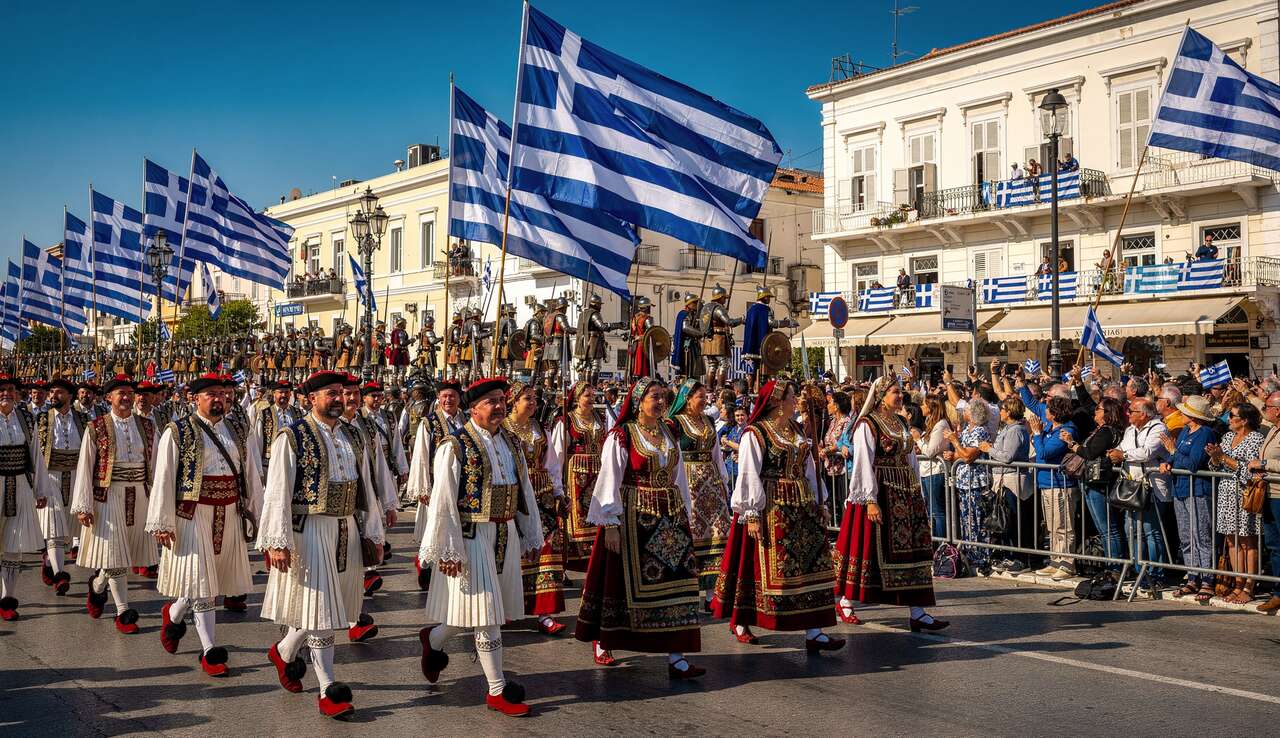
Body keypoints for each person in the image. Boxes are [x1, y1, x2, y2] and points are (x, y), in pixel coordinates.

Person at [258, 370, 385, 719]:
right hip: (310, 530)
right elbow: (278, 491)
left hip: (345, 527)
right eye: (331, 393)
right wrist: (277, 541)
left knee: (328, 605)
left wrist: (373, 532)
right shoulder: (293, 436)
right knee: (322, 612)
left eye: (341, 392)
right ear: (311, 398)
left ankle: (285, 651)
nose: (339, 399)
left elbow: (366, 487)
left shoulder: (353, 434)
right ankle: (328, 689)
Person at [417, 377, 543, 717]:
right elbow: (443, 501)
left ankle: (434, 639)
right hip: (471, 535)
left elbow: (524, 490)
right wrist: (448, 548)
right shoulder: (455, 445)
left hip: (504, 532)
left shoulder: (512, 442)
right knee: (486, 614)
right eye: (491, 402)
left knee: (476, 610)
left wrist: (531, 533)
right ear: (473, 409)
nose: (499, 406)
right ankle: (497, 689)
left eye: (502, 400)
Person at [577, 377, 705, 679]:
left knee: (678, 582)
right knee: (618, 583)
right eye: (653, 396)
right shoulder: (622, 435)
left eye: (662, 397)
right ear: (638, 401)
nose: (660, 402)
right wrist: (610, 523)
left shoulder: (669, 431)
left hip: (670, 516)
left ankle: (677, 656)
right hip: (634, 517)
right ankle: (605, 640)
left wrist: (686, 513)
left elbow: (678, 476)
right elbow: (609, 478)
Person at [148, 373, 263, 676]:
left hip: (229, 511)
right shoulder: (178, 431)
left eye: (222, 394)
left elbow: (251, 473)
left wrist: (259, 513)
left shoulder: (238, 430)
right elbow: (164, 476)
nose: (219, 399)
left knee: (208, 580)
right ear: (195, 398)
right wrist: (162, 520)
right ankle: (210, 650)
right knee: (203, 584)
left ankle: (174, 613)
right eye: (211, 394)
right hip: (193, 513)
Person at [715, 379, 842, 651]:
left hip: (802, 506)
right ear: (776, 401)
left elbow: (809, 467)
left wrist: (820, 498)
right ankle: (741, 621)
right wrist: (751, 513)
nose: (796, 400)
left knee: (809, 566)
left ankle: (814, 630)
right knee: (754, 565)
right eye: (791, 396)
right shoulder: (756, 433)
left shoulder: (796, 429)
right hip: (771, 507)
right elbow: (749, 472)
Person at [834, 376, 946, 631]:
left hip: (905, 493)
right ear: (881, 395)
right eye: (895, 391)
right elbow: (863, 461)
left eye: (901, 391)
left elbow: (911, 457)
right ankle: (846, 600)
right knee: (867, 549)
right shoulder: (868, 424)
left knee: (912, 552)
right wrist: (869, 499)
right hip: (881, 492)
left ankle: (917, 611)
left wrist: (916, 489)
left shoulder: (901, 422)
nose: (900, 395)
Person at [70, 375, 158, 633]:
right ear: (109, 397)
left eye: (130, 392)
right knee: (114, 554)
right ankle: (123, 612)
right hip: (108, 496)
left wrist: (159, 501)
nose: (127, 397)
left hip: (139, 494)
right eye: (121, 392)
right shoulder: (96, 427)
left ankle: (98, 585)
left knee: (125, 553)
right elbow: (85, 466)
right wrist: (84, 505)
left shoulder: (148, 426)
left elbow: (156, 465)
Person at [503, 380, 568, 636]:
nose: (533, 403)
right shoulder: (502, 429)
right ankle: (508, 607)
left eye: (534, 399)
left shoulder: (540, 428)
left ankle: (545, 612)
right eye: (527, 398)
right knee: (514, 551)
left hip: (542, 498)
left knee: (546, 550)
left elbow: (552, 464)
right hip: (515, 498)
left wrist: (558, 493)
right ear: (513, 401)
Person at [667, 379, 732, 612]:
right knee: (691, 535)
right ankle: (686, 591)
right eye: (700, 397)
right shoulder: (674, 423)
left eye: (706, 397)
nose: (705, 401)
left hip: (711, 485)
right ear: (687, 399)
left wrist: (723, 480)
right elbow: (672, 454)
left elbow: (716, 454)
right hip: (689, 483)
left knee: (716, 534)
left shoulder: (708, 420)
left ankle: (711, 595)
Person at [0, 374, 52, 622]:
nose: (6, 393)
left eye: (10, 389)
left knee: (14, 546)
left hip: (20, 485)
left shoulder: (26, 418)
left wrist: (40, 490)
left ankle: (7, 599)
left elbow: (36, 455)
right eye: (1, 389)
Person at [407, 379, 464, 590]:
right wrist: (423, 487)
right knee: (432, 527)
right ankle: (426, 567)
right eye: (444, 396)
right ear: (438, 399)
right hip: (434, 483)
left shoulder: (466, 420)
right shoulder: (429, 422)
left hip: (458, 484)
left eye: (452, 396)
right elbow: (421, 455)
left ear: (459, 398)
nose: (448, 400)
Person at [1108, 399, 1171, 591]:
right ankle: (1139, 571)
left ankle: (1156, 573)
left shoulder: (1159, 428)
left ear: (1143, 414)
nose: (1128, 413)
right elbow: (1121, 448)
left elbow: (1147, 452)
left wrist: (1124, 455)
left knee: (1151, 531)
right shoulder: (1130, 430)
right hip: (1132, 486)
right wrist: (1117, 453)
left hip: (1152, 487)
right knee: (1132, 530)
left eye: (1132, 411)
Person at [1159, 395, 1217, 603]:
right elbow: (1176, 456)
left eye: (1184, 411)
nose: (1180, 413)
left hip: (1198, 490)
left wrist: (1173, 451)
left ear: (1194, 415)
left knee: (1201, 536)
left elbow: (1193, 463)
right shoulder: (1184, 431)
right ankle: (1193, 576)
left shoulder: (1205, 433)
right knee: (1186, 536)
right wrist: (1168, 461)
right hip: (1180, 489)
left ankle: (1208, 579)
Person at [1208, 402, 1265, 605]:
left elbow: (1251, 470)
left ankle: (1249, 586)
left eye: (1232, 416)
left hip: (1245, 494)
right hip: (1226, 493)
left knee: (1247, 541)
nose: (1229, 419)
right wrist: (1215, 458)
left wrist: (1224, 458)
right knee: (1231, 540)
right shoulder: (1227, 437)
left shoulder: (1256, 439)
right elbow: (1215, 467)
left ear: (1245, 420)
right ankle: (1238, 584)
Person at [34, 377, 85, 597]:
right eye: (52, 392)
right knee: (54, 528)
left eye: (59, 392)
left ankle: (49, 561)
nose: (53, 395)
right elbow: (34, 451)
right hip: (50, 476)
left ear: (70, 396)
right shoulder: (41, 419)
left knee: (68, 530)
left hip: (75, 476)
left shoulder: (82, 419)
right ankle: (59, 575)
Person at [550, 382, 607, 575]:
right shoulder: (566, 421)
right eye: (587, 395)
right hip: (575, 478)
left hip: (597, 476)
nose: (591, 399)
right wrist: (558, 482)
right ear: (577, 398)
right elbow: (558, 453)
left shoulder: (600, 418)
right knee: (576, 517)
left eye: (593, 395)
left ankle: (595, 562)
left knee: (596, 517)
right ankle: (571, 561)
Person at [1070, 398, 1126, 575]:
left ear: (1107, 413)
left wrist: (1073, 445)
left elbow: (1090, 453)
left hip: (1099, 483)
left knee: (1108, 528)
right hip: (1091, 482)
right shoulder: (1101, 430)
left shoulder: (1107, 431)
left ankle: (1115, 567)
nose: (1095, 411)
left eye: (1098, 409)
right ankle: (1110, 565)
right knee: (1103, 529)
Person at [1029, 397, 1080, 579]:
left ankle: (1067, 564)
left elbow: (1044, 453)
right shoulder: (1051, 428)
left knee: (1063, 526)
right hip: (1046, 483)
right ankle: (1055, 561)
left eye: (1048, 409)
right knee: (1052, 526)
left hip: (1060, 484)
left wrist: (1037, 433)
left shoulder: (1066, 431)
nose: (1045, 412)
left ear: (1055, 413)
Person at [979, 396, 1031, 573]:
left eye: (1002, 409)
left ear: (1009, 412)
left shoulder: (1016, 430)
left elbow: (1008, 456)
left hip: (1013, 482)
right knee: (1006, 521)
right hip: (1004, 480)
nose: (1000, 412)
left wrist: (989, 449)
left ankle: (1020, 559)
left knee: (1015, 521)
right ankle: (1010, 555)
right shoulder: (1008, 429)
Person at [944, 402, 992, 574]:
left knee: (976, 521)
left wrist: (954, 442)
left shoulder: (980, 431)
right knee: (966, 521)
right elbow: (962, 453)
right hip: (963, 483)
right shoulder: (966, 430)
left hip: (976, 484)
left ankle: (980, 557)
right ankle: (969, 555)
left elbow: (967, 456)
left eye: (966, 410)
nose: (963, 412)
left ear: (972, 414)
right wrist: (955, 453)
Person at [1249, 390, 1280, 613]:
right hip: (1268, 493)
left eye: (1267, 407)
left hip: (1279, 495)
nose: (1264, 410)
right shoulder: (1273, 430)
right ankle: (1278, 592)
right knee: (1274, 545)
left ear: (1277, 411)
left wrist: (1263, 464)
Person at [913, 395, 951, 541]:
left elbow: (930, 452)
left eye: (924, 404)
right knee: (930, 511)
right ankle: (933, 541)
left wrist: (918, 439)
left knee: (937, 511)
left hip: (935, 472)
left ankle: (941, 543)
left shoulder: (941, 425)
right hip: (927, 471)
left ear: (931, 407)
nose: (922, 407)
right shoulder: (931, 422)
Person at [719, 404, 747, 484]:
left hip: (740, 466)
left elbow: (742, 447)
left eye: (742, 415)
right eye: (737, 415)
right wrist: (724, 443)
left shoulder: (748, 430)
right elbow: (729, 446)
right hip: (729, 464)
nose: (740, 418)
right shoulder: (734, 429)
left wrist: (727, 442)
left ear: (747, 416)